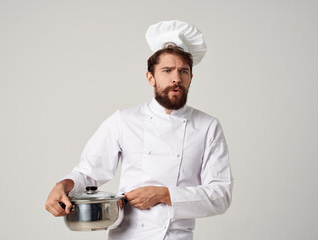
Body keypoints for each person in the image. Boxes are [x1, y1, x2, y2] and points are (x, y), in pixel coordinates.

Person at [45, 20, 233, 240]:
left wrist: (164, 195)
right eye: (167, 70)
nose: (176, 78)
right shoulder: (124, 120)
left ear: (191, 78)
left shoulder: (207, 126)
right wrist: (63, 185)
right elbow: (88, 172)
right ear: (150, 77)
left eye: (183, 71)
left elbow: (221, 195)